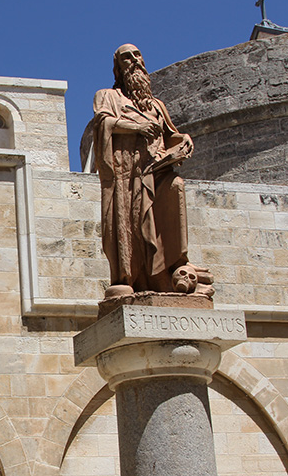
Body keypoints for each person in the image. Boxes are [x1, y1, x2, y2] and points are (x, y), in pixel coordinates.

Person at [86, 44, 211, 296]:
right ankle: (132, 278)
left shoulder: (156, 105)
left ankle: (174, 266)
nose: (134, 60)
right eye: (126, 57)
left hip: (156, 171)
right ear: (118, 67)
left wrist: (184, 140)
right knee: (129, 222)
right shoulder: (108, 96)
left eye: (137, 55)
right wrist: (137, 128)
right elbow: (103, 123)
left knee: (176, 187)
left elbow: (169, 135)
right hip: (126, 174)